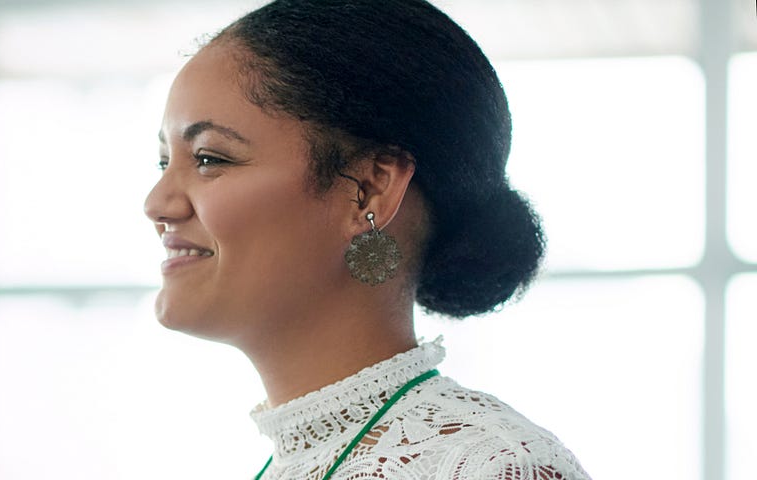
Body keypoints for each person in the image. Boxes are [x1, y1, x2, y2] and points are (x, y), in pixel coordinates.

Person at [142, 0, 591, 478]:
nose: (156, 203)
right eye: (163, 163)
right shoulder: (294, 462)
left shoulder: (491, 467)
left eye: (210, 158)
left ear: (370, 190)